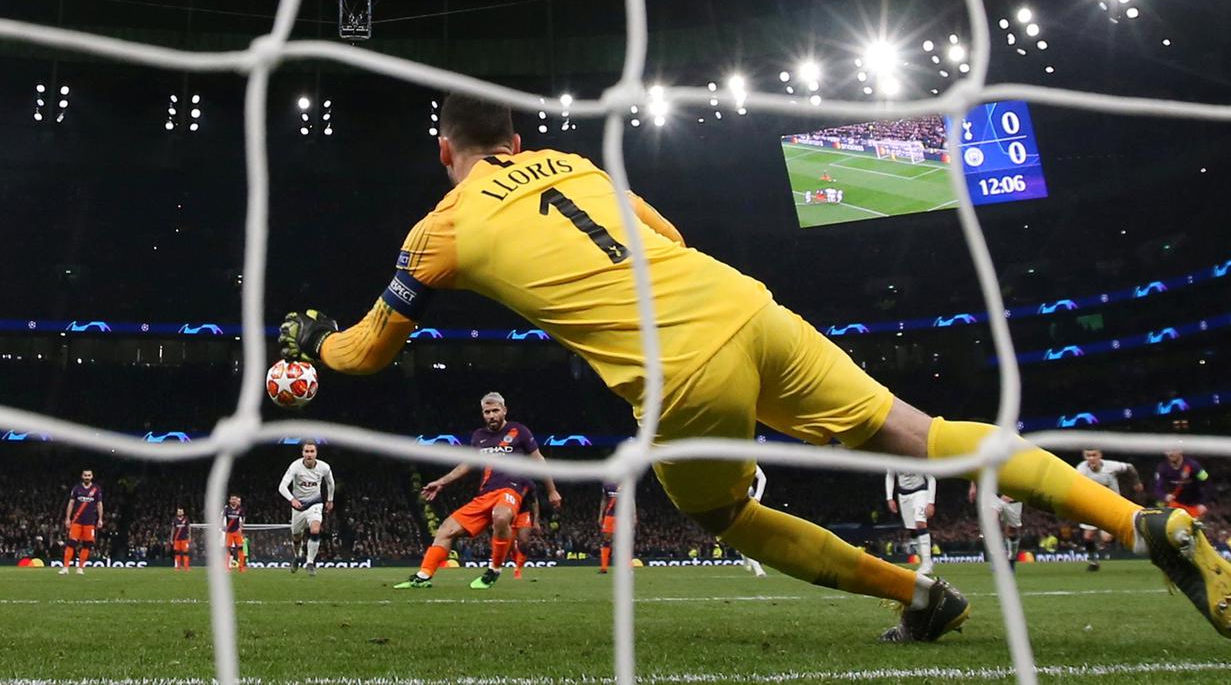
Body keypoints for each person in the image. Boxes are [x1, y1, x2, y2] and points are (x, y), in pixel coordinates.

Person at [280, 93, 1231, 641]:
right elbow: (669, 235)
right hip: (742, 302)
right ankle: (1144, 521)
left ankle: (922, 598)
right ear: (518, 141)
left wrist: (310, 343)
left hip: (679, 370)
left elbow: (366, 353)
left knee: (723, 514)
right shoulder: (576, 165)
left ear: (446, 152)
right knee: (916, 431)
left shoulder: (436, 229)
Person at [393, 392, 563, 590]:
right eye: (487, 412)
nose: (491, 415)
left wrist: (552, 491)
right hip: (485, 494)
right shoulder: (478, 436)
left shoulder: (519, 431)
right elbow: (467, 464)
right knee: (445, 530)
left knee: (501, 517)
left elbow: (539, 460)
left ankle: (494, 570)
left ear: (504, 410)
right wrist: (442, 482)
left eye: (495, 411)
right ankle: (423, 576)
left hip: (511, 488)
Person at [1076, 450, 1144, 571]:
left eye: (1094, 455)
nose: (1091, 458)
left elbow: (1130, 467)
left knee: (1107, 538)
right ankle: (1093, 562)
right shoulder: (1081, 469)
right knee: (1088, 536)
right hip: (1092, 506)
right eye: (1088, 455)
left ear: (1100, 455)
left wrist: (1136, 482)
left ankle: (1135, 549)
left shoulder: (1111, 466)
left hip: (1112, 505)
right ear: (1084, 456)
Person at [278, 442, 336, 576]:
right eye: (307, 451)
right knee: (296, 537)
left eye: (312, 451)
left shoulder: (324, 467)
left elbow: (330, 483)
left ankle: (310, 562)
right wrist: (292, 499)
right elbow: (282, 486)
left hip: (315, 504)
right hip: (298, 507)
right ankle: (297, 556)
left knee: (315, 529)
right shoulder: (295, 466)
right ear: (302, 453)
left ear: (316, 453)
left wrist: (330, 499)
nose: (309, 454)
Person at [886, 471, 936, 575]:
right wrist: (889, 498)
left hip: (920, 492)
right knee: (912, 530)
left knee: (920, 523)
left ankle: (926, 564)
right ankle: (925, 562)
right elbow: (890, 476)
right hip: (903, 496)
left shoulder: (917, 457)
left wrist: (931, 502)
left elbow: (931, 478)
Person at [967, 481, 1023, 572]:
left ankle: (1011, 558)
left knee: (1012, 531)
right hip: (992, 493)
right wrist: (973, 486)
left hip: (1013, 496)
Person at [59, 469, 103, 575]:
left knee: (87, 544)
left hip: (90, 521)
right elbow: (71, 503)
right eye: (85, 475)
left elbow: (99, 504)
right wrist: (68, 518)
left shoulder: (96, 489)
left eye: (89, 475)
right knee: (71, 543)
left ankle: (80, 568)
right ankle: (65, 567)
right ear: (82, 476)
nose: (87, 477)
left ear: (92, 476)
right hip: (77, 520)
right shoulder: (77, 488)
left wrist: (100, 518)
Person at [1155, 450, 1209, 518]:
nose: (1170, 454)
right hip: (1174, 505)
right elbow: (1158, 488)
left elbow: (1207, 483)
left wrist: (1203, 503)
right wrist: (1164, 496)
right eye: (1167, 451)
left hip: (1194, 506)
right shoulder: (1162, 468)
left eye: (1173, 450)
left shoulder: (1194, 466)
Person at [510, 482, 539, 579]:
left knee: (524, 541)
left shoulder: (528, 483)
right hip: (509, 512)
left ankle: (518, 569)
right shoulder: (505, 480)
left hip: (523, 513)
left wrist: (536, 521)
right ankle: (516, 561)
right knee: (509, 544)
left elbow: (535, 502)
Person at [743, 466, 767, 577]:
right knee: (742, 538)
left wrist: (757, 498)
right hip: (732, 501)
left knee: (746, 537)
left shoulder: (747, 461)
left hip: (746, 499)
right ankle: (755, 566)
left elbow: (762, 478)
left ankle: (756, 567)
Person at [598, 482, 619, 574]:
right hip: (609, 515)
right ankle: (604, 567)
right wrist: (600, 515)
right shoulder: (607, 485)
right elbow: (604, 500)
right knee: (606, 540)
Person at [222, 495, 246, 573]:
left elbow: (243, 518)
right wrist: (222, 526)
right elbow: (223, 517)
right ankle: (227, 567)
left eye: (235, 499)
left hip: (237, 532)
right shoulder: (227, 509)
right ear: (229, 501)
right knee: (228, 549)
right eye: (232, 499)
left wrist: (241, 527)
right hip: (229, 532)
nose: (234, 501)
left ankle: (241, 567)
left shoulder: (240, 509)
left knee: (240, 548)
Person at [171, 507, 191, 571]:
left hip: (184, 538)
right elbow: (173, 529)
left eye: (181, 511)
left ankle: (186, 567)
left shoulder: (186, 519)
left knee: (186, 552)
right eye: (179, 511)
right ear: (177, 512)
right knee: (177, 552)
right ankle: (177, 567)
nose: (180, 512)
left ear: (183, 512)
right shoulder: (174, 519)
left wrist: (190, 536)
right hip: (177, 539)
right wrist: (171, 538)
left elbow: (189, 527)